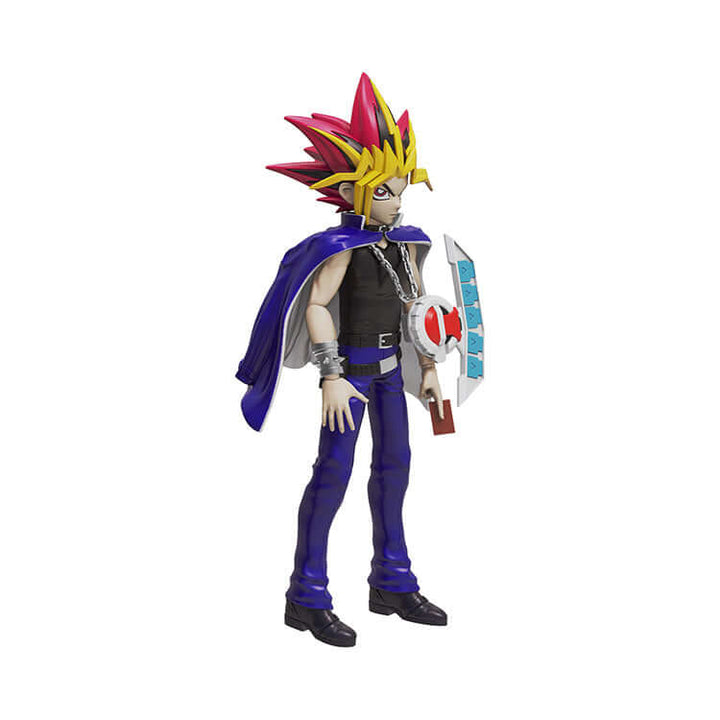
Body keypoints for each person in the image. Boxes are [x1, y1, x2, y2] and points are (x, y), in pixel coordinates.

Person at [236, 74, 448, 647]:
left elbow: (416, 308)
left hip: (390, 372)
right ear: (352, 190)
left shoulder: (406, 244)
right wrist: (330, 375)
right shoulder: (341, 249)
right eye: (384, 192)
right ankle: (306, 596)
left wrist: (429, 367)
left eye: (400, 191)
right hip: (350, 376)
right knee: (333, 475)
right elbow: (317, 306)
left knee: (395, 470)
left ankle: (393, 582)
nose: (396, 202)